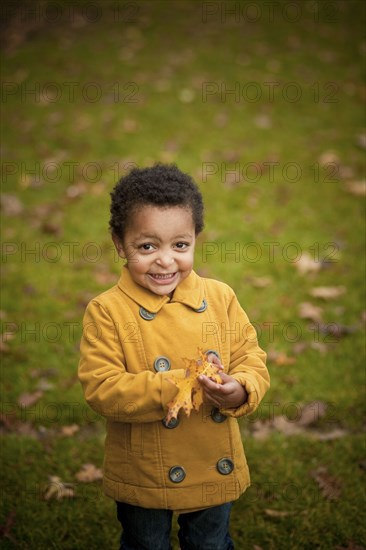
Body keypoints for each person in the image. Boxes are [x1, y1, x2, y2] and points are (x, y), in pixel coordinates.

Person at [78, 163, 270, 550]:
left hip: (212, 460)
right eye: (147, 246)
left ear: (195, 240)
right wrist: (175, 386)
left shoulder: (219, 298)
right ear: (119, 243)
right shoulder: (108, 311)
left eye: (180, 246)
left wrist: (241, 388)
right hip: (145, 468)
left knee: (211, 544)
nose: (165, 260)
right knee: (146, 543)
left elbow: (251, 357)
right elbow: (102, 388)